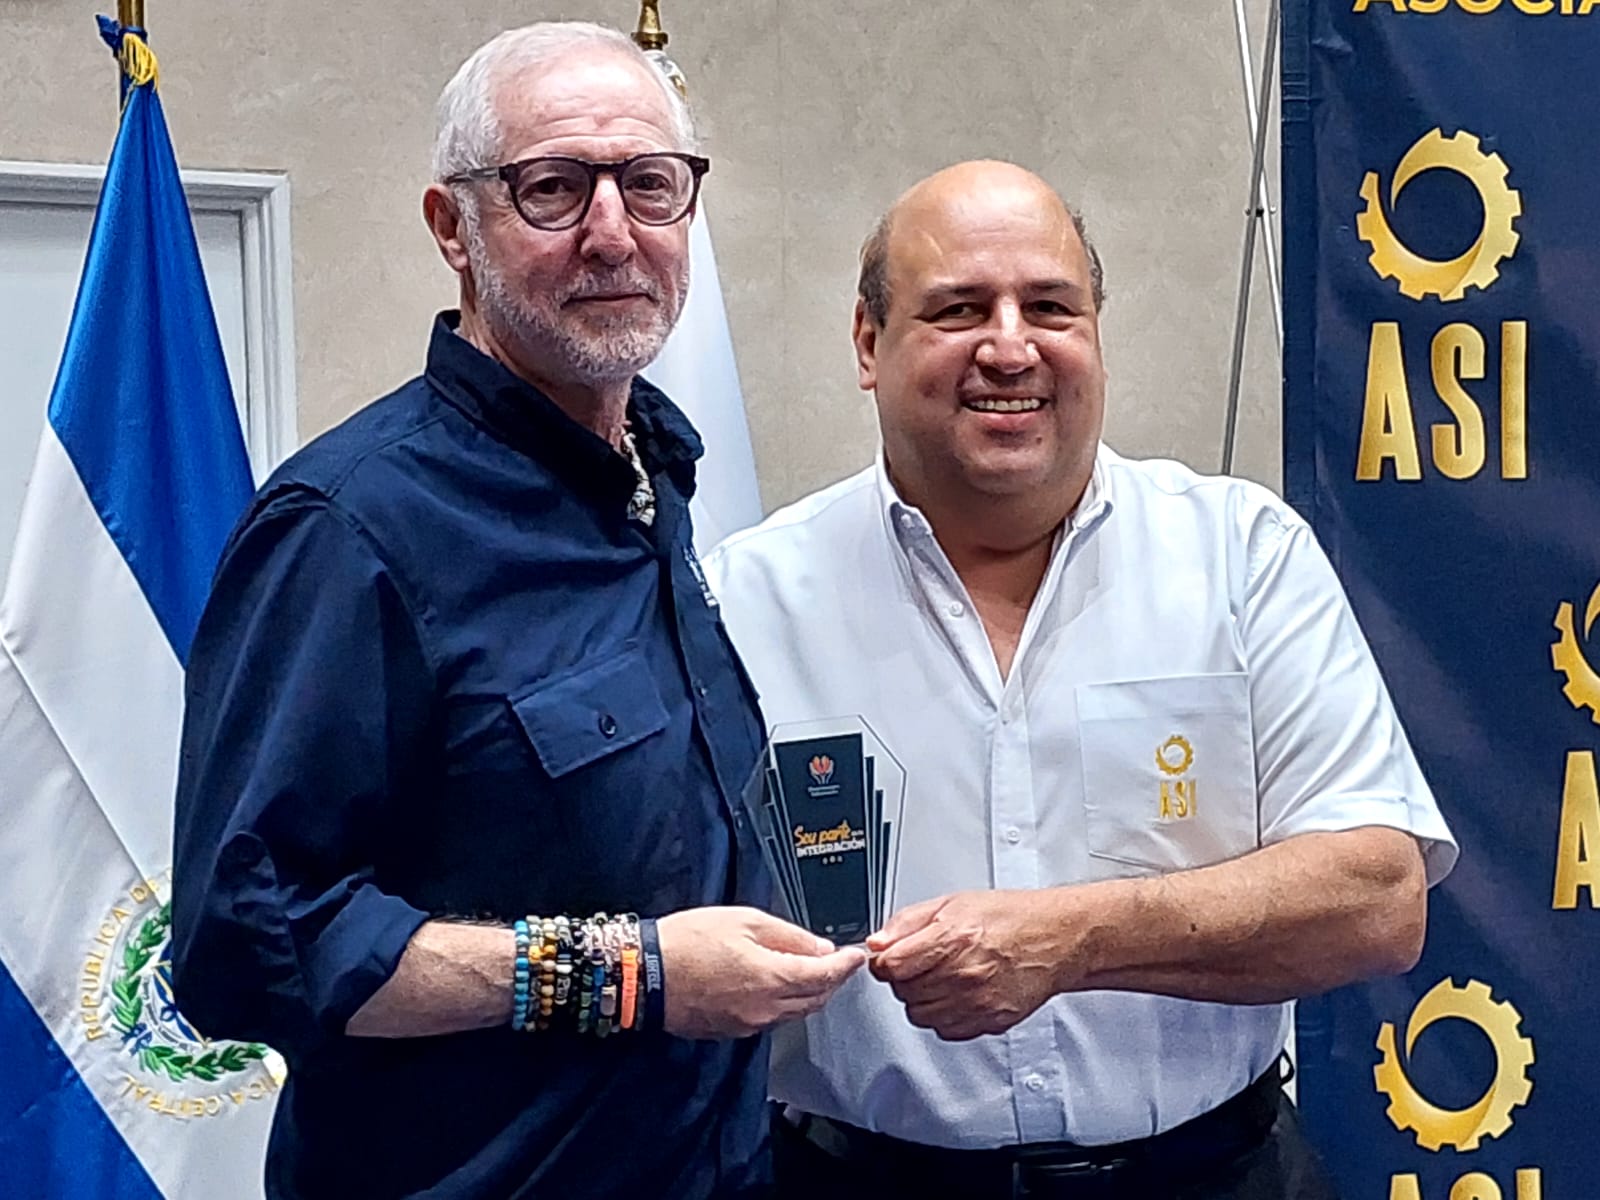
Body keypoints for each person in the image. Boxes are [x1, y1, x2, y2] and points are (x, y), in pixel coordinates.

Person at [169, 22, 862, 1200]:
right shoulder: (348, 528)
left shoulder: (656, 478)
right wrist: (634, 974)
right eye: (553, 188)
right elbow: (249, 943)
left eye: (650, 184)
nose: (614, 232)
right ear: (453, 226)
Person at [703, 160, 1457, 1200]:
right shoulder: (739, 603)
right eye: (958, 309)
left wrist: (1068, 940)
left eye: (1051, 308)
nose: (1010, 348)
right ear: (868, 343)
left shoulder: (1242, 556)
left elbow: (1377, 900)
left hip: (1214, 1176)